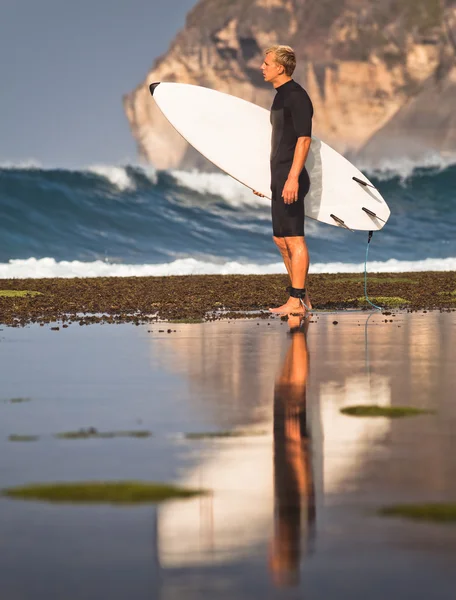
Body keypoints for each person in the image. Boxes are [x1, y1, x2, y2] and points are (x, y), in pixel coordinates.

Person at [254, 45, 313, 314]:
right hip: (279, 176)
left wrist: (292, 179)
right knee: (280, 239)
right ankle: (300, 298)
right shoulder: (279, 97)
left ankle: (296, 301)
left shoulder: (297, 97)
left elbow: (304, 139)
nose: (262, 67)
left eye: (266, 63)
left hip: (292, 176)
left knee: (294, 239)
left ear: (280, 67)